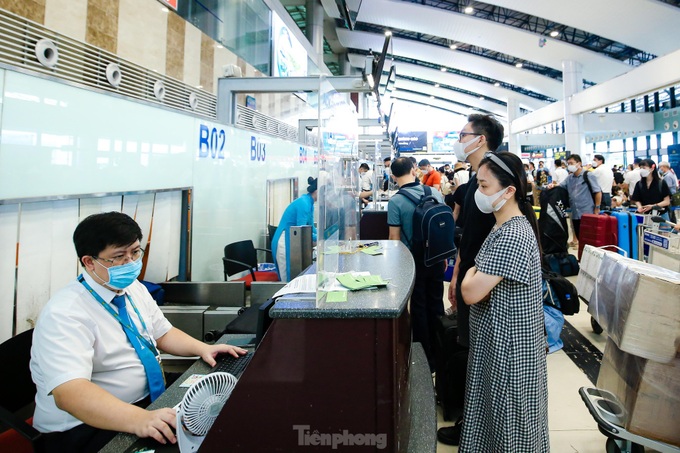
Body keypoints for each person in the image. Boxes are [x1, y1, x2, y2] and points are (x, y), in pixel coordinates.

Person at [30, 212, 247, 453]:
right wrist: (139, 419)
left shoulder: (132, 288)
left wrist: (204, 348)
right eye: (119, 256)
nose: (131, 262)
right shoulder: (65, 313)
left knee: (225, 411)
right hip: (83, 427)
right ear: (90, 262)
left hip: (145, 403)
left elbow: (162, 333)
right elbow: (70, 394)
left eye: (135, 252)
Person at [458, 152, 549, 452]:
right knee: (494, 421)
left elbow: (470, 292)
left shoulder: (512, 235)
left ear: (509, 191)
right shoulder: (499, 226)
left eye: (484, 187)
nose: (479, 195)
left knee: (510, 425)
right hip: (497, 342)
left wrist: (472, 273)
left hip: (509, 350)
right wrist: (473, 274)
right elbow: (473, 281)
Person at [438, 113, 504, 446]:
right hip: (469, 276)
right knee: (470, 348)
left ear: (480, 139)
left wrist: (474, 278)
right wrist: (457, 272)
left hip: (485, 283)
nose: (458, 139)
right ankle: (471, 421)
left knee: (479, 353)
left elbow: (500, 232)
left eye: (463, 133)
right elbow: (470, 237)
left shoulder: (494, 179)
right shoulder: (474, 182)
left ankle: (473, 426)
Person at [387, 157, 446, 372]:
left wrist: (395, 267)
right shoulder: (435, 194)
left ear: (393, 176)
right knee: (436, 302)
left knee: (418, 306)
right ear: (414, 170)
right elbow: (443, 226)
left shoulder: (395, 201)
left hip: (413, 261)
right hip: (437, 258)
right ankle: (442, 351)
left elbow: (394, 238)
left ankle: (424, 358)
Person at [272, 177, 318, 281]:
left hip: (292, 239)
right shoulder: (304, 203)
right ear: (317, 190)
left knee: (293, 275)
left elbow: (311, 228)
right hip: (284, 240)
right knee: (286, 278)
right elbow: (301, 230)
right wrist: (319, 238)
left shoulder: (309, 203)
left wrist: (322, 235)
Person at [549, 154, 602, 243]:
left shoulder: (588, 175)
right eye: (568, 163)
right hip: (575, 214)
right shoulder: (570, 178)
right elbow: (560, 185)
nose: (570, 166)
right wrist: (552, 185)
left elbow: (597, 192)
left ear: (579, 163)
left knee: (589, 239)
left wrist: (597, 208)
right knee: (580, 238)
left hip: (587, 212)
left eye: (572, 163)